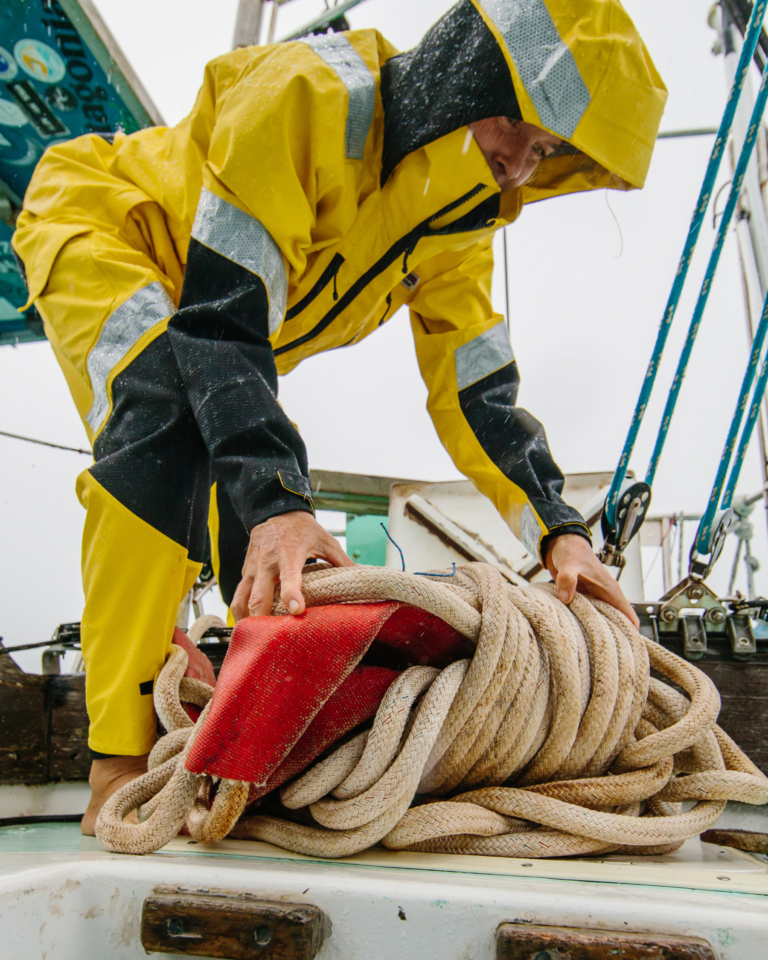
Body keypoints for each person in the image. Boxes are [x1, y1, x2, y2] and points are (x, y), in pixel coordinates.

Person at [12, 0, 667, 834]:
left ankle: (212, 688)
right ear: (471, 80)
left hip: (214, 315)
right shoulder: (303, 98)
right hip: (100, 222)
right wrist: (283, 507)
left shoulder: (457, 226)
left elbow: (478, 393)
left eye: (543, 154)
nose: (517, 170)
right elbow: (220, 322)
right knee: (169, 419)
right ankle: (119, 760)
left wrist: (558, 529)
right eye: (519, 132)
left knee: (235, 481)